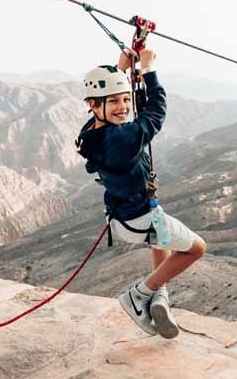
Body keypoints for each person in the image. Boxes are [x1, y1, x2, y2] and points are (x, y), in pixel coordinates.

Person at [75, 47, 207, 338]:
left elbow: (107, 102)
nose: (124, 107)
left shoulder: (91, 132)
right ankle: (139, 295)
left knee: (161, 242)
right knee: (197, 249)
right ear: (94, 105)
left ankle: (160, 297)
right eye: (115, 101)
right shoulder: (121, 137)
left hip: (123, 217)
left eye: (125, 99)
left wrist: (120, 69)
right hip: (140, 217)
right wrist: (148, 69)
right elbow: (155, 113)